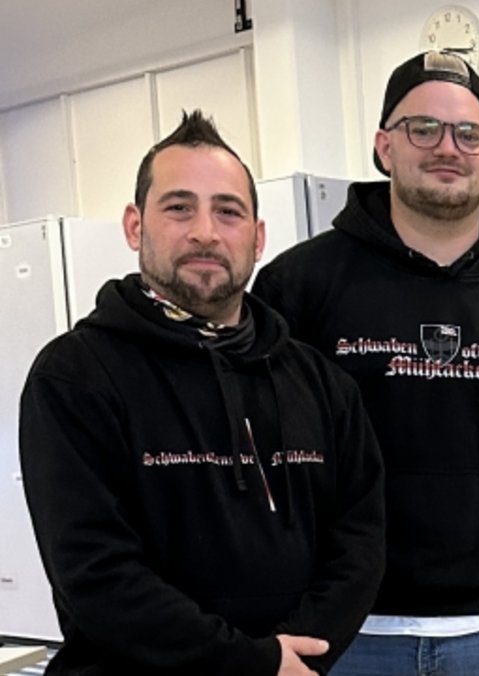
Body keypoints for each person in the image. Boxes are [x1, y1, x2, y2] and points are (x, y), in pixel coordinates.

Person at [253, 51, 479, 676]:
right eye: (423, 128)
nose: (448, 147)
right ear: (384, 145)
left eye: (469, 133)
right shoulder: (297, 287)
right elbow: (262, 445)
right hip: (343, 632)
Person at [19, 111, 385, 676]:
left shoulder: (318, 382)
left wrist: (296, 653)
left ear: (258, 238)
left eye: (228, 211)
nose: (205, 232)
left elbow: (359, 543)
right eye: (179, 207)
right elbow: (96, 574)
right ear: (135, 226)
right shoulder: (74, 376)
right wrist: (253, 662)